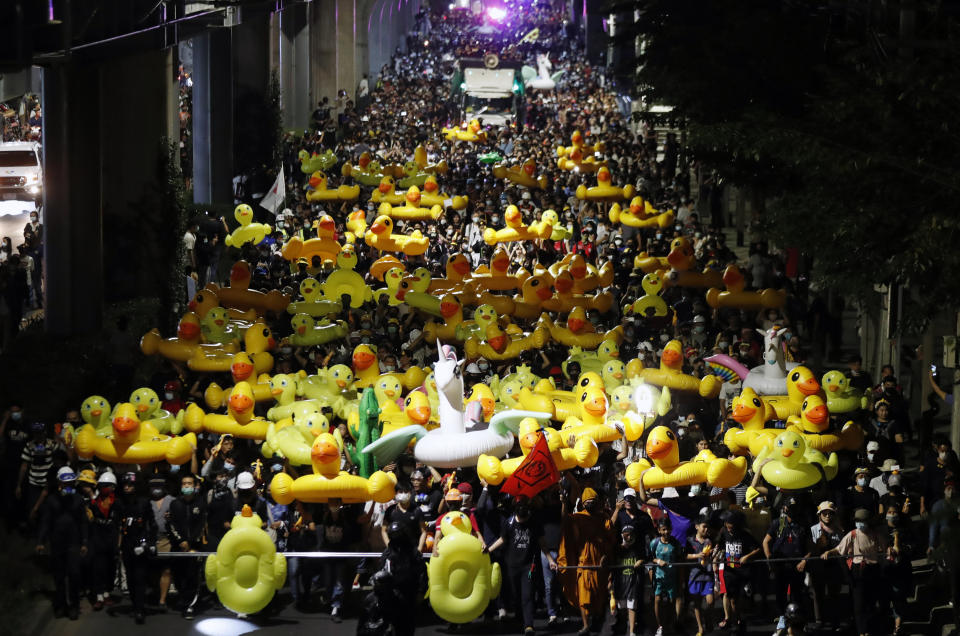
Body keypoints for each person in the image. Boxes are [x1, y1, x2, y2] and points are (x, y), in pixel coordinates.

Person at [485, 497, 552, 635]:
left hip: (529, 565)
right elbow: (503, 539)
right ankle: (520, 618)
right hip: (512, 565)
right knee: (516, 594)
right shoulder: (509, 522)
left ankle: (529, 625)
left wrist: (550, 560)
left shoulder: (534, 523)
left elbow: (542, 544)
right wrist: (489, 550)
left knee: (527, 595)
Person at [820, 508, 889, 636]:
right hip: (858, 571)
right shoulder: (852, 534)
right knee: (859, 604)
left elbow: (886, 550)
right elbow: (839, 548)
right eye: (858, 521)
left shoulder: (875, 534)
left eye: (862, 521)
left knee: (871, 602)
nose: (860, 523)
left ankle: (870, 629)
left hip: (873, 570)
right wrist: (828, 552)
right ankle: (862, 631)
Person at [557, 487, 615, 636]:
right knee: (583, 597)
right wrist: (564, 503)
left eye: (592, 501)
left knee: (598, 595)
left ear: (597, 503)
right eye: (587, 502)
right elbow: (565, 522)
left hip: (600, 564)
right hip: (583, 563)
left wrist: (606, 556)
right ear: (583, 503)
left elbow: (611, 539)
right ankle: (585, 625)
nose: (590, 503)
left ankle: (596, 620)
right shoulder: (578, 517)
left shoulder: (604, 518)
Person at [36, 466, 88, 620]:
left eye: (71, 483)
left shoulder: (78, 500)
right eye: (66, 483)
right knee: (59, 577)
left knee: (74, 574)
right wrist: (41, 541)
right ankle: (61, 605)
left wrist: (84, 542)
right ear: (59, 483)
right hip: (57, 544)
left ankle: (74, 606)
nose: (68, 486)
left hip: (73, 543)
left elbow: (83, 522)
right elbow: (45, 522)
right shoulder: (52, 500)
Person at [114, 472, 157, 624]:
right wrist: (117, 547)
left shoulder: (144, 502)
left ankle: (140, 609)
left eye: (130, 484)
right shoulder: (119, 504)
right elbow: (117, 526)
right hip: (126, 544)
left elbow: (152, 525)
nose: (127, 487)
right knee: (131, 579)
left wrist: (149, 543)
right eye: (125, 484)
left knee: (140, 578)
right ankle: (134, 605)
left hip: (140, 543)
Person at [763, 499, 812, 627]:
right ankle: (782, 617)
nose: (792, 510)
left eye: (794, 507)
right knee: (780, 594)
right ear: (784, 508)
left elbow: (810, 547)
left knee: (798, 595)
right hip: (780, 566)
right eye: (790, 507)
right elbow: (765, 542)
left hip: (797, 566)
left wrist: (804, 561)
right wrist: (770, 559)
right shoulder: (777, 523)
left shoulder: (803, 524)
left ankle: (799, 621)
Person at [714, 509, 760, 632]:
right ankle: (734, 620)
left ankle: (740, 619)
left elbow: (757, 548)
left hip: (743, 572)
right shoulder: (724, 532)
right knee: (730, 597)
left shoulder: (745, 535)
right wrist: (716, 554)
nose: (728, 527)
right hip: (729, 571)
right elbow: (719, 545)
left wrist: (747, 556)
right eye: (727, 524)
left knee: (742, 598)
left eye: (731, 525)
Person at [167, 473, 206, 619]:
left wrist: (191, 542)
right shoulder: (175, 504)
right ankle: (182, 599)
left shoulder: (201, 503)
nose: (187, 486)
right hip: (178, 546)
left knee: (192, 576)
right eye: (184, 484)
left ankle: (189, 605)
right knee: (178, 576)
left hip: (194, 547)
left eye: (189, 483)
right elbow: (171, 524)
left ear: (195, 486)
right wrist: (181, 540)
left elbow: (202, 524)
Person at [808, 500, 844, 626]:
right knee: (818, 594)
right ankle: (819, 620)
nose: (827, 516)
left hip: (835, 567)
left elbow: (842, 549)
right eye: (824, 513)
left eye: (830, 513)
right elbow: (810, 550)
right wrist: (818, 545)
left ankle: (835, 620)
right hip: (818, 567)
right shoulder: (813, 529)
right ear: (819, 515)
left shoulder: (840, 530)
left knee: (834, 594)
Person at [88, 471, 118, 611]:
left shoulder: (116, 503)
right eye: (103, 485)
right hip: (97, 541)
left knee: (109, 569)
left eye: (108, 486)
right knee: (98, 569)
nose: (105, 488)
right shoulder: (93, 503)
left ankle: (107, 593)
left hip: (111, 542)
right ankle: (99, 596)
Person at [648, 516, 683, 636]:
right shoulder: (654, 543)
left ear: (671, 529)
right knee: (657, 600)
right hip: (659, 578)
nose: (666, 532)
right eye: (663, 529)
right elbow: (650, 558)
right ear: (659, 530)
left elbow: (680, 560)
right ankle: (660, 626)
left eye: (667, 529)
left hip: (672, 579)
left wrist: (680, 580)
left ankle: (670, 624)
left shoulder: (676, 543)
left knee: (672, 602)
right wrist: (657, 561)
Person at [611, 524, 647, 636]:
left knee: (632, 607)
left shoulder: (637, 549)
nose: (629, 537)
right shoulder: (617, 549)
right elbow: (610, 563)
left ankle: (632, 631)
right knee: (622, 608)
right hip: (620, 583)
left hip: (633, 582)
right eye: (627, 535)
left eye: (631, 535)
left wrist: (640, 561)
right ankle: (623, 625)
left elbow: (644, 558)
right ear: (622, 535)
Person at [686, 515, 715, 635]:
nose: (706, 529)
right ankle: (700, 628)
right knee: (697, 604)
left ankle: (708, 618)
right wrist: (697, 556)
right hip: (695, 576)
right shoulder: (690, 540)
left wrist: (714, 553)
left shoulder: (709, 541)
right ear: (697, 527)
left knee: (710, 601)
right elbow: (685, 556)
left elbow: (712, 558)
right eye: (704, 527)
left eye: (707, 527)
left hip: (707, 575)